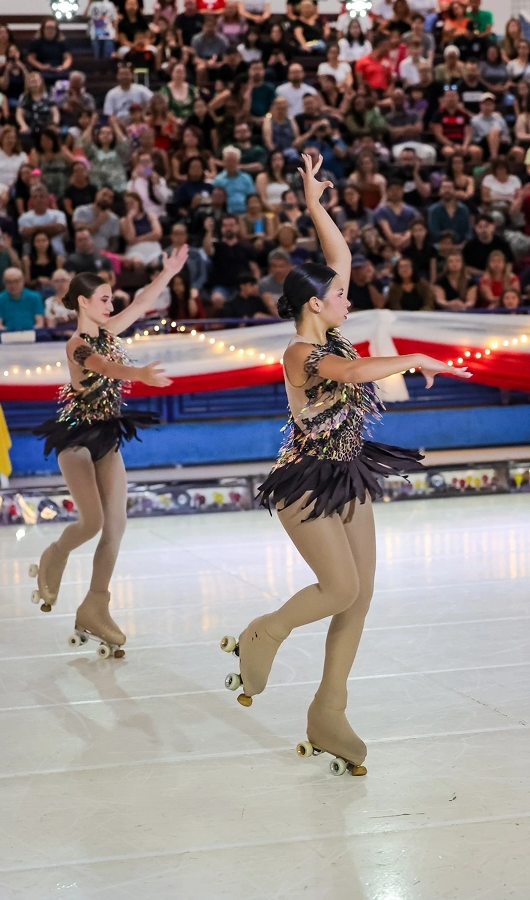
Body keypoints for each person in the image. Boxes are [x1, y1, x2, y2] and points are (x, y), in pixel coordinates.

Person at [221, 153, 470, 774]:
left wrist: (314, 206)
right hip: (304, 479)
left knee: (360, 597)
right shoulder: (300, 352)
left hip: (348, 468)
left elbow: (342, 259)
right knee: (339, 588)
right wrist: (412, 359)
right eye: (338, 295)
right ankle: (266, 632)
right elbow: (353, 373)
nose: (347, 296)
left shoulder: (329, 325)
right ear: (314, 304)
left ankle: (328, 710)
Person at [29, 248, 187, 657]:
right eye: (103, 298)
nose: (110, 304)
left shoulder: (110, 330)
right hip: (76, 438)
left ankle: (95, 605)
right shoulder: (76, 344)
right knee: (93, 521)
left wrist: (167, 273)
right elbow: (103, 366)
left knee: (116, 526)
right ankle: (54, 555)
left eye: (110, 298)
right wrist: (139, 374)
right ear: (82, 301)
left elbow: (141, 302)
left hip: (107, 436)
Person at [203, 212, 258, 294]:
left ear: (237, 227)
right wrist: (209, 231)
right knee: (217, 298)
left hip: (242, 286)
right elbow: (207, 249)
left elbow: (255, 269)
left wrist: (255, 284)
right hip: (221, 286)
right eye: (225, 225)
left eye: (231, 225)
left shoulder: (246, 247)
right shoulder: (217, 246)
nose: (228, 228)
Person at [82, 115, 131, 194]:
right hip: (98, 189)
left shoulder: (118, 152)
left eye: (109, 133)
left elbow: (123, 142)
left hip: (118, 189)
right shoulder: (93, 152)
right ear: (97, 136)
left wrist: (115, 125)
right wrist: (91, 124)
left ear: (113, 136)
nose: (106, 135)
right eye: (102, 133)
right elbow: (85, 141)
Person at [18, 183, 68, 257]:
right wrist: (52, 228)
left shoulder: (59, 214)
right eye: (35, 197)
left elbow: (60, 228)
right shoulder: (24, 217)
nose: (38, 199)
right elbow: (26, 233)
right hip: (32, 257)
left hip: (57, 254)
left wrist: (35, 229)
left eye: (41, 196)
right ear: (31, 200)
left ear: (47, 198)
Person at [0, 267, 45, 331]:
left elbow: (40, 323)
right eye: (9, 282)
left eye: (16, 281)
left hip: (32, 332)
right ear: (4, 282)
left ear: (23, 281)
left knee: (43, 336)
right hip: (6, 333)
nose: (13, 285)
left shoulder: (35, 297)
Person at [462, 213, 513, 278]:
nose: (483, 230)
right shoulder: (469, 246)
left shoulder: (502, 243)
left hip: (500, 276)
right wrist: (485, 274)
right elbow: (467, 267)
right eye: (480, 227)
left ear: (493, 226)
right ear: (475, 228)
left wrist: (505, 275)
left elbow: (509, 263)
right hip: (478, 276)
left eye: (486, 226)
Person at [120, 189, 162, 267]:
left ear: (139, 203)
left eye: (132, 203)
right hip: (135, 250)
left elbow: (157, 234)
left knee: (157, 263)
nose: (130, 206)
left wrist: (137, 239)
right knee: (136, 264)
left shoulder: (150, 215)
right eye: (127, 204)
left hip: (153, 248)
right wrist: (129, 219)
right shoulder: (124, 220)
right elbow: (130, 238)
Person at [73, 185, 120, 253]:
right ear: (97, 194)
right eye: (104, 194)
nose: (106, 199)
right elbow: (80, 232)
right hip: (84, 254)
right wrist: (99, 222)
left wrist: (107, 255)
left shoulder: (114, 219)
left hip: (104, 255)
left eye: (110, 197)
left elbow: (114, 243)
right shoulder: (81, 210)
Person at [373, 179, 418, 251]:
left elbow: (415, 227)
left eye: (398, 189)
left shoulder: (411, 210)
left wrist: (405, 238)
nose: (395, 192)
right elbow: (387, 232)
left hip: (409, 244)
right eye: (392, 190)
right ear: (387, 191)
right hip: (389, 246)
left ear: (403, 190)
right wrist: (393, 239)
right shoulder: (381, 211)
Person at [27, 17, 73, 85]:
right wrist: (41, 66)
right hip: (42, 69)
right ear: (43, 29)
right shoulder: (36, 42)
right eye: (48, 28)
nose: (50, 30)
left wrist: (63, 67)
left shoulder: (62, 42)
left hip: (58, 68)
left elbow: (68, 58)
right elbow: (30, 58)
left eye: (52, 28)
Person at [213, 146, 256, 215]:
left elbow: (252, 197)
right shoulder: (218, 179)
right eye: (227, 160)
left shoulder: (246, 178)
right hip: (226, 214)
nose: (230, 163)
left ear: (238, 162)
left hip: (246, 213)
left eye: (233, 160)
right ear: (223, 162)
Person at [427, 179, 471, 245]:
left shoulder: (464, 209)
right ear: (439, 191)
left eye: (449, 188)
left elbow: (468, 233)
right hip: (440, 247)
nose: (447, 191)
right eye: (444, 188)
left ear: (455, 191)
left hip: (461, 247)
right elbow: (434, 234)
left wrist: (463, 245)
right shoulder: (433, 210)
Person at [22, 230, 65, 294]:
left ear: (49, 242)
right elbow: (26, 282)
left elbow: (61, 279)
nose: (41, 244)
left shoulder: (58, 259)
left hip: (53, 290)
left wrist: (49, 281)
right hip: (34, 291)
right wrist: (37, 281)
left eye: (44, 241)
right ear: (33, 243)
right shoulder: (27, 260)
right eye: (38, 241)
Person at [470, 93, 511, 161]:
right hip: (482, 144)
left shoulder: (499, 119)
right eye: (485, 104)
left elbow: (507, 137)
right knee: (494, 132)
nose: (487, 107)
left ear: (493, 106)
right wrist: (489, 136)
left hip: (500, 144)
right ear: (480, 105)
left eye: (489, 104)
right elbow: (473, 139)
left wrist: (503, 139)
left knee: (518, 151)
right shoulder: (474, 120)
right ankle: (494, 159)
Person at [258, 248, 292, 312]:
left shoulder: (297, 283)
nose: (278, 270)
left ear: (289, 267)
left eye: (281, 266)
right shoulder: (264, 284)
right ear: (270, 267)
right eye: (274, 266)